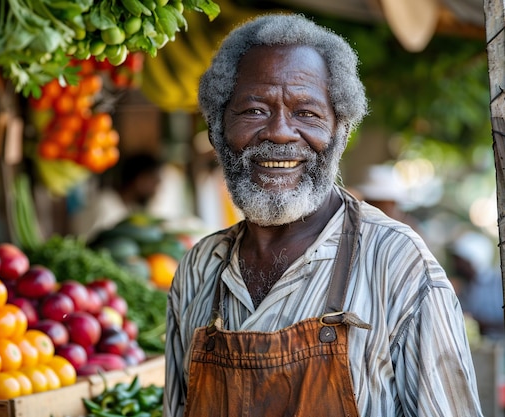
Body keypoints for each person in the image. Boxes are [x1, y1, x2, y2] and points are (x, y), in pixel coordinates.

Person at [165, 13, 483, 417]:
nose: (280, 132)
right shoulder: (198, 270)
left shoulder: (398, 264)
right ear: (216, 130)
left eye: (307, 114)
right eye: (254, 110)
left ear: (340, 133)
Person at [71, 153, 163, 242]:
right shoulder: (105, 204)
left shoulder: (129, 208)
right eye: (155, 182)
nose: (156, 191)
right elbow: (89, 243)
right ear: (141, 180)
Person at [448, 230, 504, 341]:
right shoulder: (464, 287)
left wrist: (481, 325)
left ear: (472, 261)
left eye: (459, 261)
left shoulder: (498, 283)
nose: (456, 265)